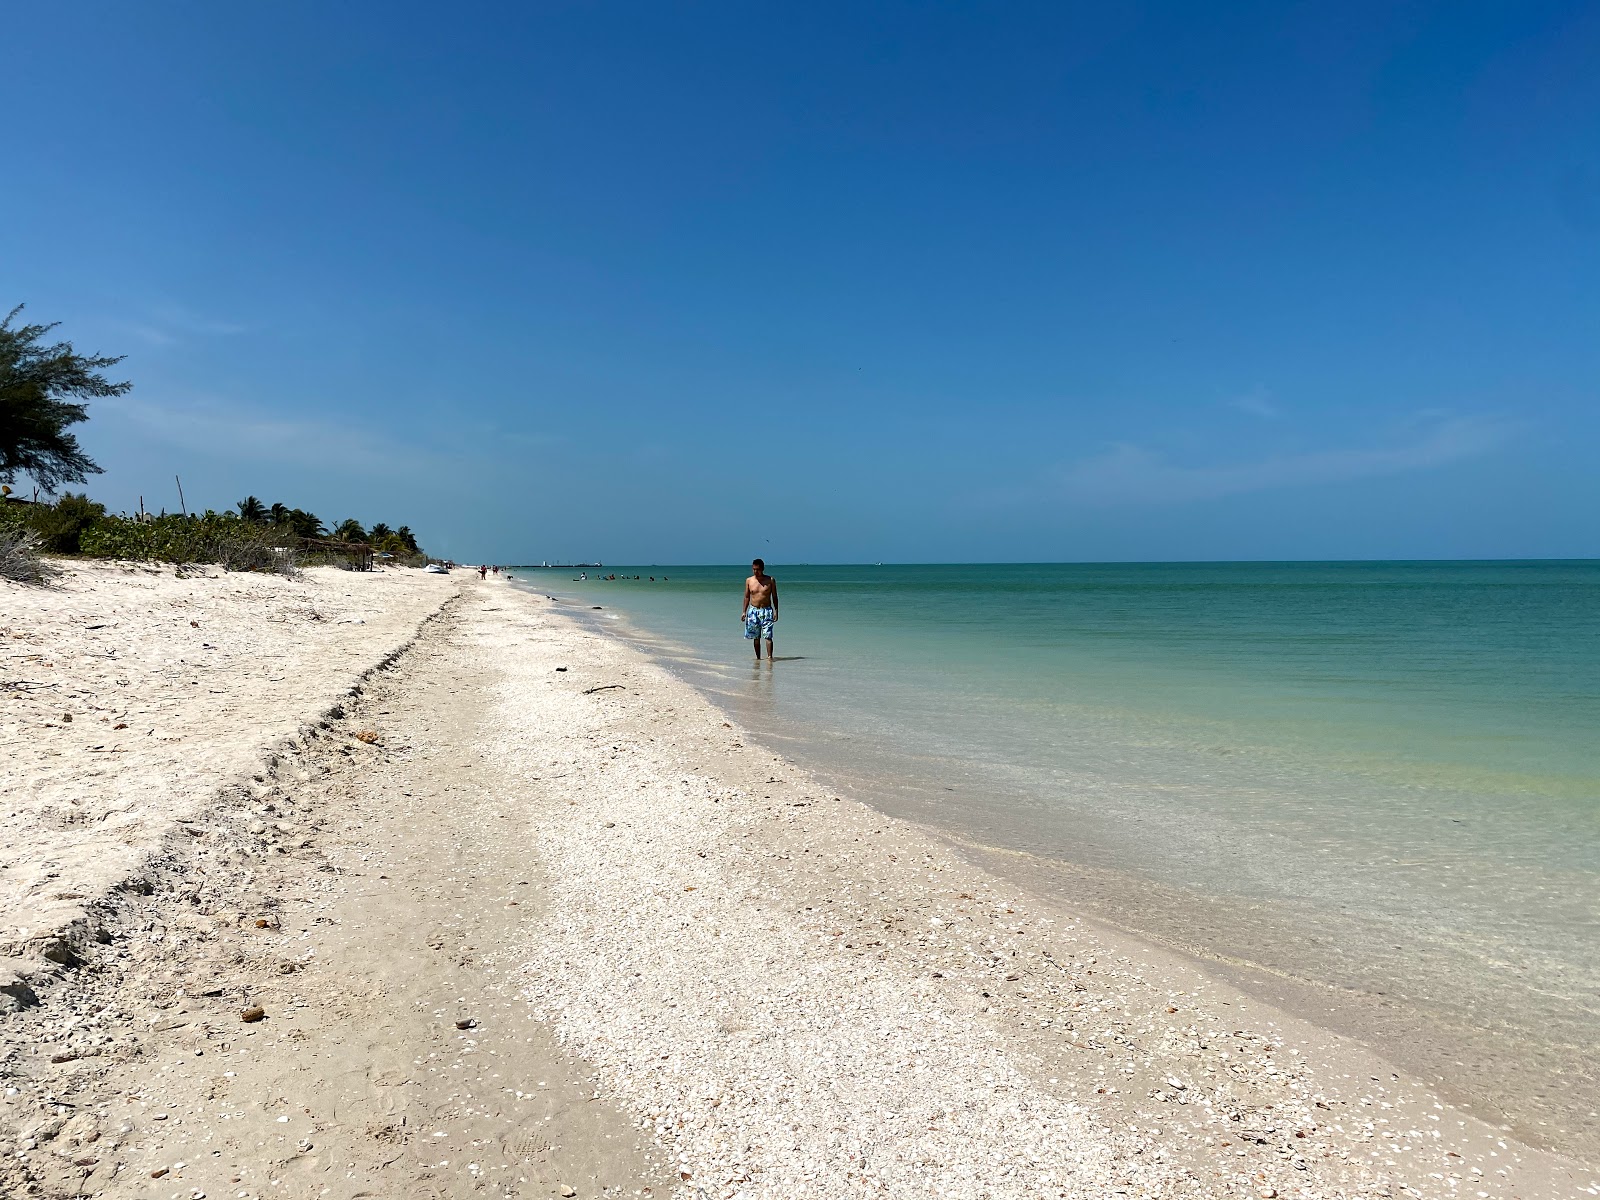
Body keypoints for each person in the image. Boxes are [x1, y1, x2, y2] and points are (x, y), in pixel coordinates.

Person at [741, 558, 779, 660]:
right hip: (753, 611)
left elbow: (774, 596)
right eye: (754, 569)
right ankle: (758, 659)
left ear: (762, 569)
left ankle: (770, 658)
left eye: (757, 569)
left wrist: (776, 611)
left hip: (766, 611)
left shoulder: (770, 580)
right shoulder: (749, 580)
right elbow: (747, 597)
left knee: (768, 636)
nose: (755, 572)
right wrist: (744, 612)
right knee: (756, 637)